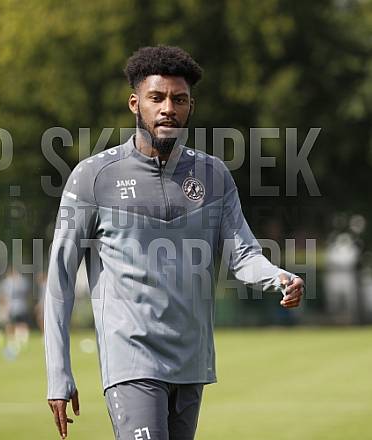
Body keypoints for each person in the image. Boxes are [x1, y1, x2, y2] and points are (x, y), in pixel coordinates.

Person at [45, 45, 304, 440]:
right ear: (135, 104)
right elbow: (60, 279)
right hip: (131, 362)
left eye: (179, 99)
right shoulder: (93, 177)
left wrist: (278, 277)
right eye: (157, 97)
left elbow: (243, 254)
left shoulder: (214, 176)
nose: (168, 108)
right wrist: (58, 372)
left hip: (191, 365)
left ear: (190, 107)